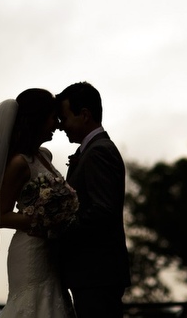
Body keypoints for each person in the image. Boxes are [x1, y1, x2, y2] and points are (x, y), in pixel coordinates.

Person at [0, 88, 75, 318]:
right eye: (52, 117)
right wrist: (42, 220)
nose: (56, 124)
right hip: (30, 250)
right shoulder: (19, 163)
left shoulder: (44, 156)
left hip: (50, 250)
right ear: (37, 119)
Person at [53, 82, 131, 318]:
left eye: (64, 118)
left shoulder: (98, 152)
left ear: (84, 115)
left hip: (97, 273)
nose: (61, 126)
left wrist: (59, 230)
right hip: (93, 273)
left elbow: (102, 211)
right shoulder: (90, 152)